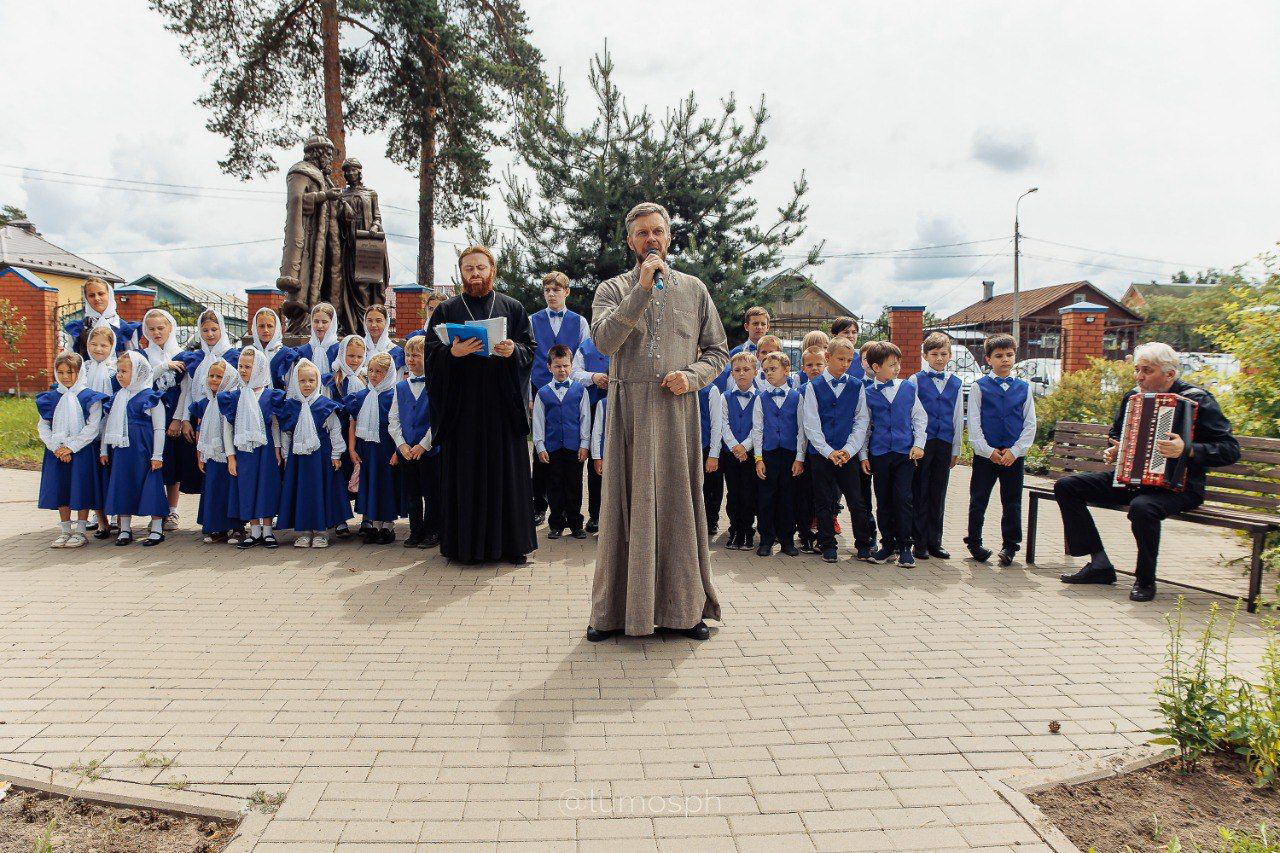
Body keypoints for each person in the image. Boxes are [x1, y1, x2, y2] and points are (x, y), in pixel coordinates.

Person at [587, 202, 728, 641]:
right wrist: (642, 289)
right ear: (631, 241)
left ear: (669, 237)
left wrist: (692, 377)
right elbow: (605, 341)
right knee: (623, 512)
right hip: (629, 413)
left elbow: (718, 353)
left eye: (658, 232)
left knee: (679, 509)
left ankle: (685, 612)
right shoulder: (611, 289)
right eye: (642, 233)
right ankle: (612, 614)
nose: (651, 239)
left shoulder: (695, 289)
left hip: (676, 412)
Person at [1056, 342, 1240, 602]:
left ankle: (1144, 580)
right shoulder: (1134, 397)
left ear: (1169, 374)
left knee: (1143, 508)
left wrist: (1186, 449)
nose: (1139, 377)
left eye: (1147, 371)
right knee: (1068, 486)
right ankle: (1099, 564)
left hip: (1179, 487)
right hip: (1133, 480)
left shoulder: (1197, 400)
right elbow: (1117, 434)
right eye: (1137, 370)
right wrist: (1117, 450)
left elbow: (1230, 449)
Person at [423, 246, 537, 565]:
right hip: (464, 411)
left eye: (481, 267)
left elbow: (530, 350)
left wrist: (513, 349)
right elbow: (431, 358)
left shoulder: (512, 308)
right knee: (466, 477)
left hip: (502, 408)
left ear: (492, 271)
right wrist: (451, 355)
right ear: (461, 273)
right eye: (469, 268)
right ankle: (465, 548)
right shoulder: (446, 311)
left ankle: (513, 545)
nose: (475, 273)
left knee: (506, 476)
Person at [965, 333, 1036, 566]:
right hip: (987, 455)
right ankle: (974, 542)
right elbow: (974, 423)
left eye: (1009, 355)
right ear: (988, 359)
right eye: (998, 356)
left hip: (1012, 456)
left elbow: (1030, 423)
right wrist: (987, 450)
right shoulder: (979, 387)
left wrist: (1016, 451)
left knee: (1012, 501)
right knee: (978, 499)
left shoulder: (1023, 388)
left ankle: (1010, 546)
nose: (1004, 360)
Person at [802, 337, 874, 564]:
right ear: (827, 357)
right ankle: (827, 544)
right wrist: (827, 451)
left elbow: (861, 420)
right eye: (840, 359)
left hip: (847, 454)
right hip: (822, 455)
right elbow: (810, 423)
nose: (845, 363)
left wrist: (848, 450)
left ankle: (863, 544)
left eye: (849, 360)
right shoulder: (812, 387)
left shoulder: (857, 386)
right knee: (823, 501)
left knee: (856, 500)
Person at [529, 272, 591, 526]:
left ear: (567, 292)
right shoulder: (533, 320)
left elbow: (583, 356)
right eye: (547, 290)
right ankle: (539, 506)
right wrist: (529, 396)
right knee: (541, 450)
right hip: (540, 390)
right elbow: (526, 359)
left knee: (569, 454)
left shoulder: (580, 322)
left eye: (557, 289)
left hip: (571, 393)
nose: (551, 294)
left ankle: (570, 509)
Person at [858, 341, 927, 567]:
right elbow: (864, 427)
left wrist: (919, 444)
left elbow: (919, 417)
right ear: (876, 367)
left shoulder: (908, 388)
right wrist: (864, 455)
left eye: (898, 364)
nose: (897, 368)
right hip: (879, 454)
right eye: (892, 364)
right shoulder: (867, 393)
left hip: (904, 454)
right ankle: (887, 544)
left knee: (904, 499)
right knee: (884, 500)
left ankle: (905, 545)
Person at [38, 352, 109, 548]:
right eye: (60, 372)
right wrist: (56, 447)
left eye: (70, 372)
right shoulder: (51, 397)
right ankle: (65, 530)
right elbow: (43, 425)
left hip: (81, 451)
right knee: (62, 488)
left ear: (80, 372)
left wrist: (71, 447)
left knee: (81, 488)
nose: (65, 377)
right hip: (57, 452)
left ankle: (80, 531)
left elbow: (92, 427)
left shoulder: (90, 397)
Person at [278, 359, 350, 548]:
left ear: (317, 381)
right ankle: (303, 531)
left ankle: (321, 531)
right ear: (296, 382)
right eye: (302, 381)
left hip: (321, 457)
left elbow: (335, 429)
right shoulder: (291, 405)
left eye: (311, 380)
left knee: (320, 490)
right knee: (301, 491)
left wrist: (336, 454)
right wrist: (286, 457)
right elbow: (286, 433)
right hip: (298, 458)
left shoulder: (325, 404)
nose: (307, 384)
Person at [101, 351, 169, 546]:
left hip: (144, 450)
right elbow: (107, 425)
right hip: (122, 452)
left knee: (150, 486)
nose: (119, 375)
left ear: (139, 373)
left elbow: (159, 428)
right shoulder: (117, 398)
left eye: (124, 371)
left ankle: (156, 528)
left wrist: (157, 455)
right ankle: (124, 528)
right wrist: (104, 450)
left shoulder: (151, 397)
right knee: (123, 484)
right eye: (118, 371)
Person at [141, 308, 201, 529]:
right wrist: (162, 367)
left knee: (173, 462)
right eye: (152, 329)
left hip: (172, 416)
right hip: (150, 417)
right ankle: (157, 510)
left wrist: (178, 418)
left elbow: (187, 389)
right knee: (155, 462)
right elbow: (142, 383)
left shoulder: (181, 355)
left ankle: (172, 511)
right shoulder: (144, 357)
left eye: (161, 328)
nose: (157, 333)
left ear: (170, 328)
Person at [221, 348, 285, 550]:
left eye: (248, 366)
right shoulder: (234, 396)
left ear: (259, 368)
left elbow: (275, 424)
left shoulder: (269, 395)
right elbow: (227, 427)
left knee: (266, 486)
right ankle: (254, 530)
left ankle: (267, 531)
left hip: (265, 450)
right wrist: (231, 456)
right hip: (243, 451)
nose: (243, 370)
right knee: (247, 487)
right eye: (240, 366)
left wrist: (277, 448)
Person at [911, 332, 963, 560]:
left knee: (938, 492)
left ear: (950, 355)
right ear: (925, 356)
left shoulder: (956, 382)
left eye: (943, 354)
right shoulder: (916, 380)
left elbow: (957, 417)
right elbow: (912, 415)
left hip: (944, 442)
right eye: (934, 354)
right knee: (920, 491)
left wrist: (956, 448)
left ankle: (935, 541)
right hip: (924, 442)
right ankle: (919, 542)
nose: (939, 358)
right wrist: (915, 443)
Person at [533, 344, 591, 540]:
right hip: (552, 448)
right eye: (557, 366)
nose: (562, 370)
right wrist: (540, 446)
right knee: (554, 485)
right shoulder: (542, 393)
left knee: (574, 485)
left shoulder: (580, 391)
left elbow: (585, 419)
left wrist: (584, 444)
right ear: (549, 366)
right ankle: (556, 523)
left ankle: (576, 524)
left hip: (574, 448)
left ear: (571, 365)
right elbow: (539, 422)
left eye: (566, 366)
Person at [751, 351, 805, 557]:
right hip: (769, 454)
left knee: (788, 497)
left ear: (786, 369)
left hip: (790, 454)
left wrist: (800, 457)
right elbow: (758, 429)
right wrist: (758, 458)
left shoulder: (796, 396)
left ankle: (787, 539)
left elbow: (802, 429)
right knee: (766, 497)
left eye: (773, 369)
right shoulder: (760, 398)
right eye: (765, 371)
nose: (769, 374)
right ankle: (766, 539)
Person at [389, 336, 438, 549]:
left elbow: (438, 419)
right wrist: (401, 445)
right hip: (407, 451)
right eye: (408, 355)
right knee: (412, 495)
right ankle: (415, 531)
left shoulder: (435, 385)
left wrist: (424, 445)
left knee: (432, 494)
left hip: (429, 451)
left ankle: (433, 531)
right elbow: (394, 419)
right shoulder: (400, 387)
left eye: (416, 355)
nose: (411, 359)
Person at [346, 352, 400, 544]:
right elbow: (353, 423)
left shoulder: (394, 395)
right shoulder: (361, 396)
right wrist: (352, 449)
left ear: (389, 373)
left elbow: (399, 425)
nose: (374, 375)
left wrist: (397, 451)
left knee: (386, 485)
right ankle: (374, 524)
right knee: (370, 485)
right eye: (371, 370)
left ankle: (388, 525)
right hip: (366, 450)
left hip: (386, 449)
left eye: (379, 371)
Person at [190, 357, 239, 544]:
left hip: (229, 453)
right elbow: (200, 429)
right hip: (211, 453)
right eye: (211, 376)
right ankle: (216, 527)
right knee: (213, 488)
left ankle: (236, 527)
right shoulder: (205, 403)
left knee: (230, 489)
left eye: (219, 377)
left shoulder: (233, 399)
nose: (214, 380)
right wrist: (200, 453)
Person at [327, 334, 367, 538]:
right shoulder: (334, 379)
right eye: (350, 355)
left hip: (362, 434)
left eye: (359, 356)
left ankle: (367, 517)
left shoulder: (366, 377)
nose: (354, 360)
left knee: (362, 473)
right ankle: (339, 519)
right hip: (340, 432)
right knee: (340, 475)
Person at [720, 352, 760, 551]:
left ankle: (747, 530)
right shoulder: (725, 397)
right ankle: (734, 529)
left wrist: (745, 446)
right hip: (731, 453)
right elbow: (723, 423)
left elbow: (759, 426)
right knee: (733, 492)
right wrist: (735, 446)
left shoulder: (761, 397)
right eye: (737, 370)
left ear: (755, 372)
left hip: (751, 452)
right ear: (732, 374)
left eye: (746, 370)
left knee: (748, 492)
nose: (742, 373)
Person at [572, 333, 611, 533]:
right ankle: (595, 515)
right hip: (594, 407)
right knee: (596, 462)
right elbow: (574, 372)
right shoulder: (586, 346)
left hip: (624, 406)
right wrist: (593, 377)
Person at [794, 344, 827, 553]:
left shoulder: (829, 389)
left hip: (825, 451)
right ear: (803, 367)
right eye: (809, 365)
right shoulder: (799, 392)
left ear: (826, 364)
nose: (814, 368)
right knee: (804, 494)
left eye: (819, 364)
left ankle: (823, 535)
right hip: (805, 451)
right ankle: (805, 533)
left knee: (823, 495)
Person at [63, 277, 139, 358]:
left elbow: (133, 362)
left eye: (101, 294)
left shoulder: (126, 329)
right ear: (86, 298)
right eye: (91, 295)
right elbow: (70, 359)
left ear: (109, 295)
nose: (97, 298)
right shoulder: (78, 329)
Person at [713, 306, 771, 392]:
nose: (759, 327)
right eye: (755, 323)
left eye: (763, 324)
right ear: (746, 326)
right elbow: (726, 379)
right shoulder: (736, 353)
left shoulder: (774, 353)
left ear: (768, 327)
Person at [698, 372, 725, 538]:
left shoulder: (710, 390)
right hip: (685, 445)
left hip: (707, 445)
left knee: (711, 486)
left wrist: (714, 454)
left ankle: (711, 519)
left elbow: (716, 423)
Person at [249, 307, 299, 390]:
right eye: (261, 326)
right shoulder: (250, 353)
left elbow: (292, 386)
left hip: (279, 401)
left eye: (270, 326)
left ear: (276, 328)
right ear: (255, 328)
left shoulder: (286, 354)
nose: (266, 330)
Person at [294, 302, 341, 380]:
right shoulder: (302, 351)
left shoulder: (339, 350)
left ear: (332, 323)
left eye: (324, 322)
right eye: (316, 321)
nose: (319, 326)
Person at [362, 304, 405, 375]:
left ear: (386, 322)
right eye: (369, 320)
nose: (373, 325)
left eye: (378, 321)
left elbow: (398, 379)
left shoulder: (396, 352)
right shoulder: (358, 348)